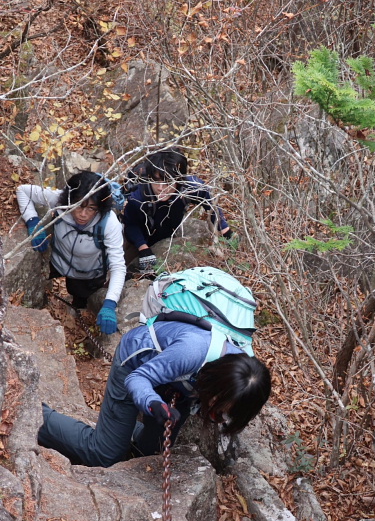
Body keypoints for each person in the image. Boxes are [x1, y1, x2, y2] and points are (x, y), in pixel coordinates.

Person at [38, 320, 271, 467]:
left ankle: (123, 434)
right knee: (105, 454)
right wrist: (153, 403)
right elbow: (137, 378)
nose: (222, 414)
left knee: (151, 452)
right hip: (135, 364)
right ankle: (37, 416)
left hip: (177, 381)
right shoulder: (191, 352)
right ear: (218, 387)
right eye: (223, 407)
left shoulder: (240, 374)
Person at [17, 171, 126, 335]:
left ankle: (78, 306)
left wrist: (110, 303)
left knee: (80, 295)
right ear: (70, 199)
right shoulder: (61, 200)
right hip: (57, 261)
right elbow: (23, 191)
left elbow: (118, 265)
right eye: (79, 205)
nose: (83, 214)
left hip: (87, 272)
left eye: (91, 209)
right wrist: (33, 221)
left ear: (100, 208)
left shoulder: (109, 223)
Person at [123, 147, 234, 272]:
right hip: (140, 235)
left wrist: (225, 229)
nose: (160, 188)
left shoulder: (190, 187)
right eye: (156, 181)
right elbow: (130, 224)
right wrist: (142, 247)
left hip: (169, 230)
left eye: (167, 182)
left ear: (179, 179)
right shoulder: (138, 196)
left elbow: (209, 201)